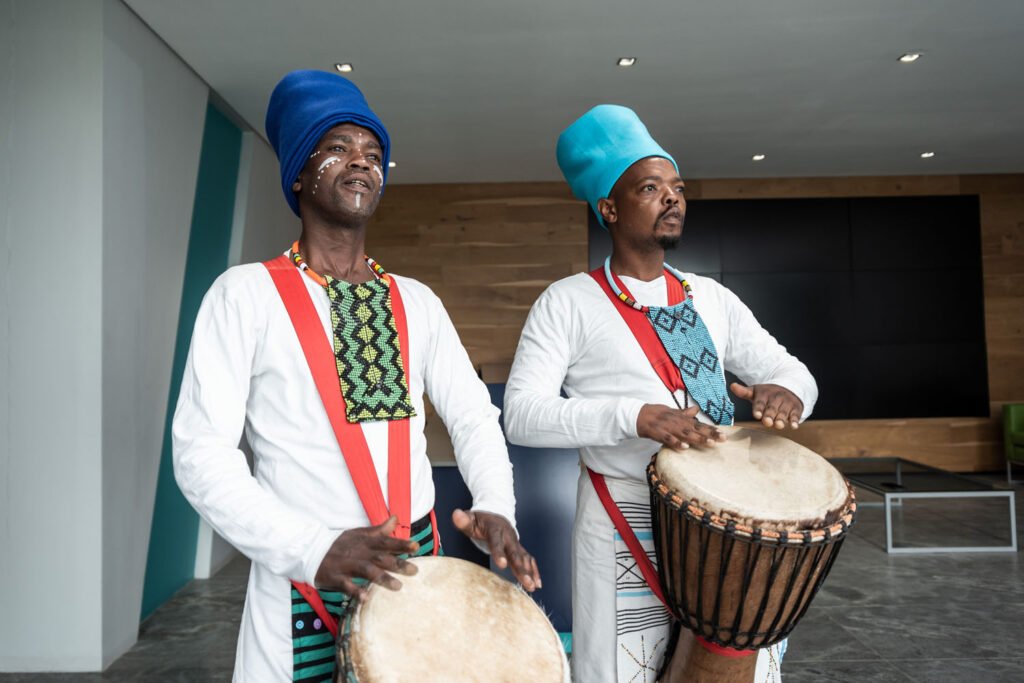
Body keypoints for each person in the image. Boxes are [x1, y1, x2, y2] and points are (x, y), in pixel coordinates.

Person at [173, 69, 540, 682]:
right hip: (305, 583)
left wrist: (496, 505)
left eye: (373, 152)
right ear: (298, 172)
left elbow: (474, 416)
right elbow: (199, 455)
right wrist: (312, 548)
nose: (362, 161)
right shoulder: (244, 295)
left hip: (415, 576)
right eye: (338, 147)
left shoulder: (416, 301)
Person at [504, 104, 817, 683]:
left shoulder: (710, 296)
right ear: (609, 207)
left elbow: (791, 370)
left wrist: (788, 392)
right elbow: (521, 415)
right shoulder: (568, 301)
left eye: (677, 187)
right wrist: (635, 417)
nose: (672, 198)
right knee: (622, 671)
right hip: (623, 515)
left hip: (725, 516)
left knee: (734, 670)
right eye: (650, 188)